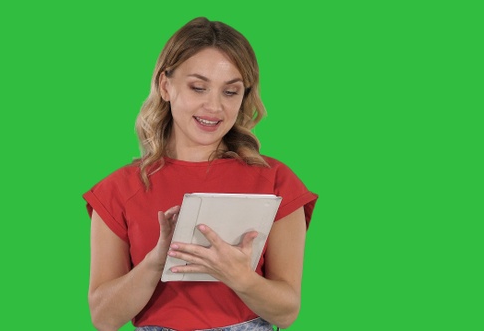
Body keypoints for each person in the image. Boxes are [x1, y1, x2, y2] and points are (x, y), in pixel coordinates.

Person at [83, 17, 318, 331]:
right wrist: (158, 259)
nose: (214, 106)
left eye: (230, 92)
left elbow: (286, 313)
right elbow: (103, 317)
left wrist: (241, 277)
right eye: (198, 87)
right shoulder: (118, 189)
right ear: (166, 86)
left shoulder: (275, 181)